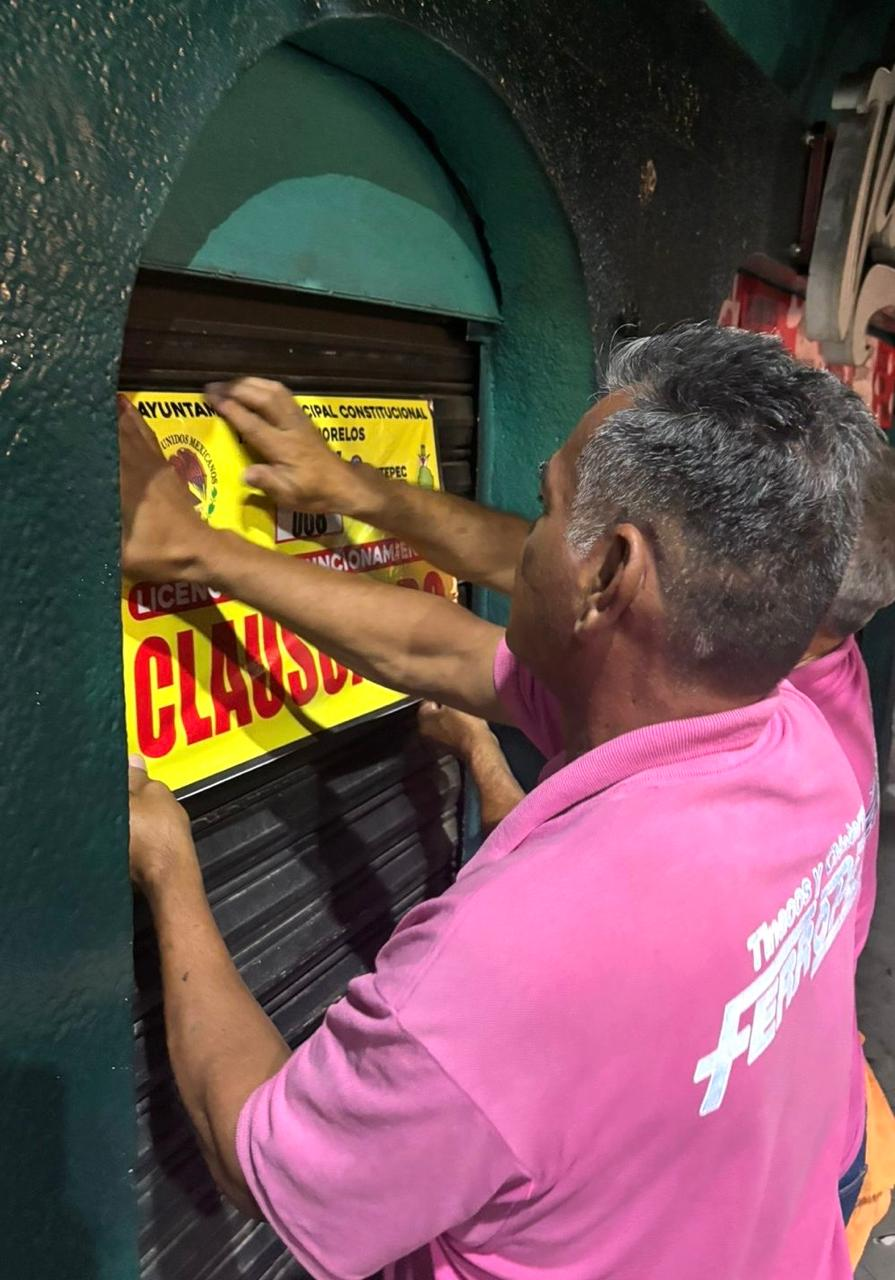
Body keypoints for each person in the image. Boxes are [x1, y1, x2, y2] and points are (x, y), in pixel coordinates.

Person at [121, 323, 879, 1280]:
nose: (520, 546)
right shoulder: (795, 739)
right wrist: (201, 553)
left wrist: (170, 869)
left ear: (608, 573)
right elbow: (436, 648)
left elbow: (263, 1159)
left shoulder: (507, 965)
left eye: (542, 509)